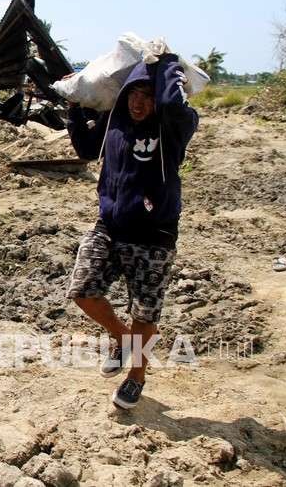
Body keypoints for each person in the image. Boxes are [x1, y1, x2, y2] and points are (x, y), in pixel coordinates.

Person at [64, 53, 199, 409]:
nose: (139, 102)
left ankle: (136, 377)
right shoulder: (114, 119)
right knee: (82, 289)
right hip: (109, 225)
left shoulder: (173, 128)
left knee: (145, 312)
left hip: (155, 233)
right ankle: (121, 337)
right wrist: (75, 107)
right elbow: (86, 149)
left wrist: (167, 62)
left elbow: (173, 102)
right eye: (133, 93)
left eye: (148, 94)